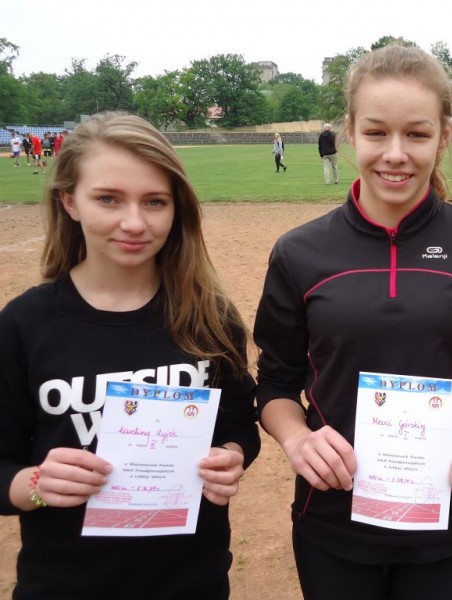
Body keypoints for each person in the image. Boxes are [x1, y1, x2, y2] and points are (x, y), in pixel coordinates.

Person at [253, 44, 452, 600]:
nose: (395, 154)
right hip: (333, 516)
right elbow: (275, 383)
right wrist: (297, 439)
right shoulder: (299, 252)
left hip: (450, 514)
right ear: (350, 132)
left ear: (443, 137)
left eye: (417, 134)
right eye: (376, 133)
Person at [0, 111, 261, 599]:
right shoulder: (24, 325)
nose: (135, 223)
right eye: (108, 199)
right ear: (69, 201)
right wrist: (35, 484)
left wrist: (231, 455)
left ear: (176, 207)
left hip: (192, 582)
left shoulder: (208, 315)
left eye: (155, 201)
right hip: (66, 585)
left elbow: (238, 424)